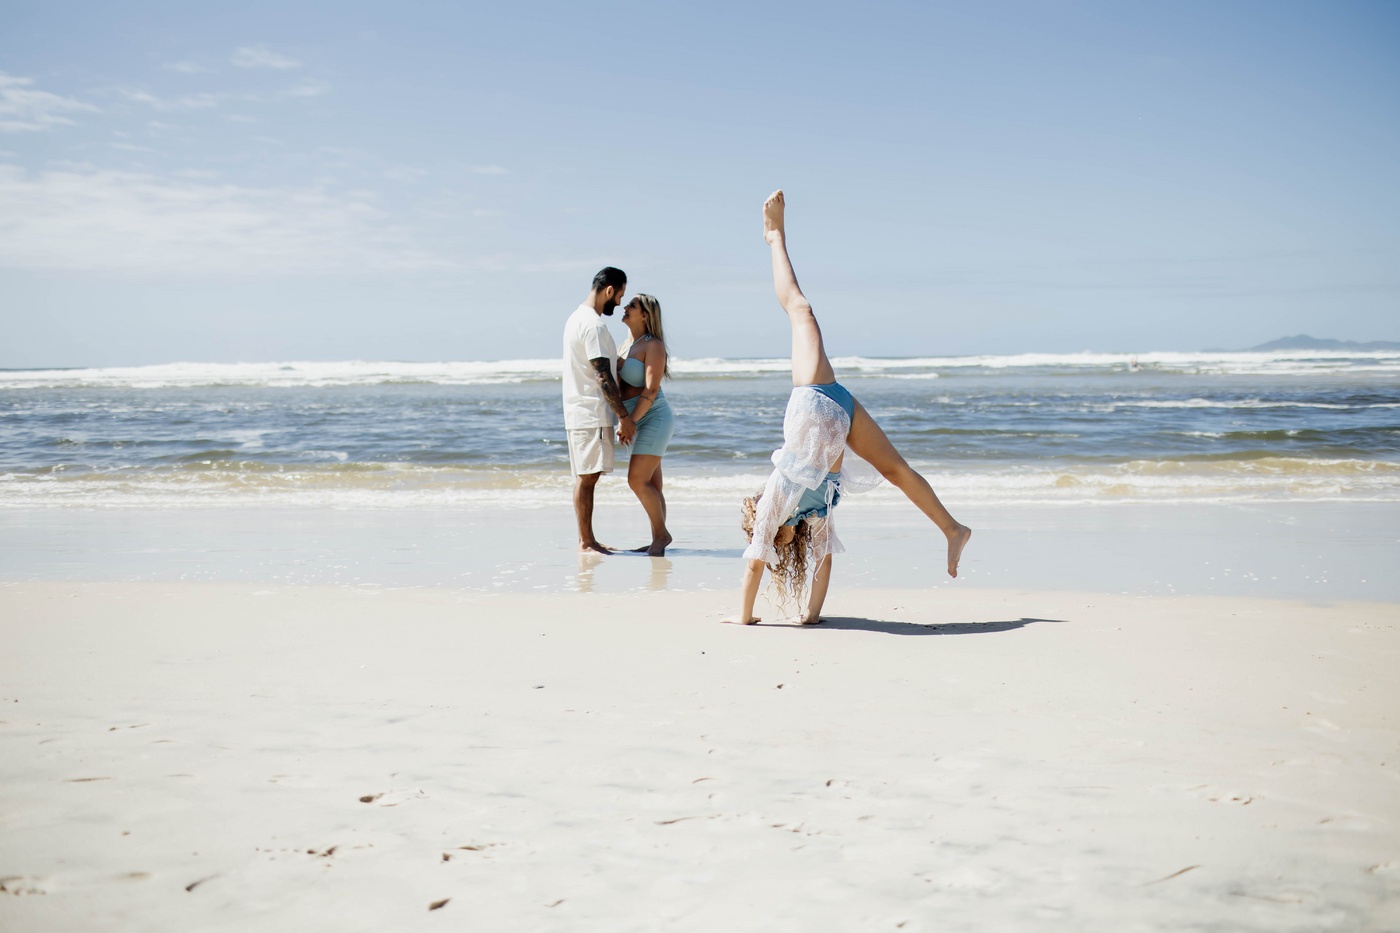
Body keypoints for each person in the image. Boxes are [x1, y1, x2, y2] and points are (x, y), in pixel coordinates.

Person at [723, 191, 972, 625]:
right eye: (770, 537)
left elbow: (761, 564)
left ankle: (952, 528)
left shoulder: (782, 505)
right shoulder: (813, 513)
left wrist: (747, 618)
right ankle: (775, 237)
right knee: (800, 309)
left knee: (898, 470)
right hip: (828, 403)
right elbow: (808, 563)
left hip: (828, 403)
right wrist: (806, 616)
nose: (767, 536)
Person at [562, 267, 634, 554]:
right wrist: (624, 417)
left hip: (580, 410)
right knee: (588, 477)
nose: (619, 303)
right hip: (590, 411)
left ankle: (587, 539)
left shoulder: (576, 318)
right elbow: (602, 376)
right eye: (620, 296)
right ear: (609, 290)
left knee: (586, 475)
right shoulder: (593, 325)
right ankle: (586, 541)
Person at [617, 293, 677, 555]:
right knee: (652, 484)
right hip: (636, 419)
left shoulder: (653, 345)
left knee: (637, 480)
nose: (625, 307)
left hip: (653, 417)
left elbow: (651, 390)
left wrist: (629, 422)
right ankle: (657, 539)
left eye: (632, 305)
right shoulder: (624, 345)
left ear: (644, 315)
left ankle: (662, 535)